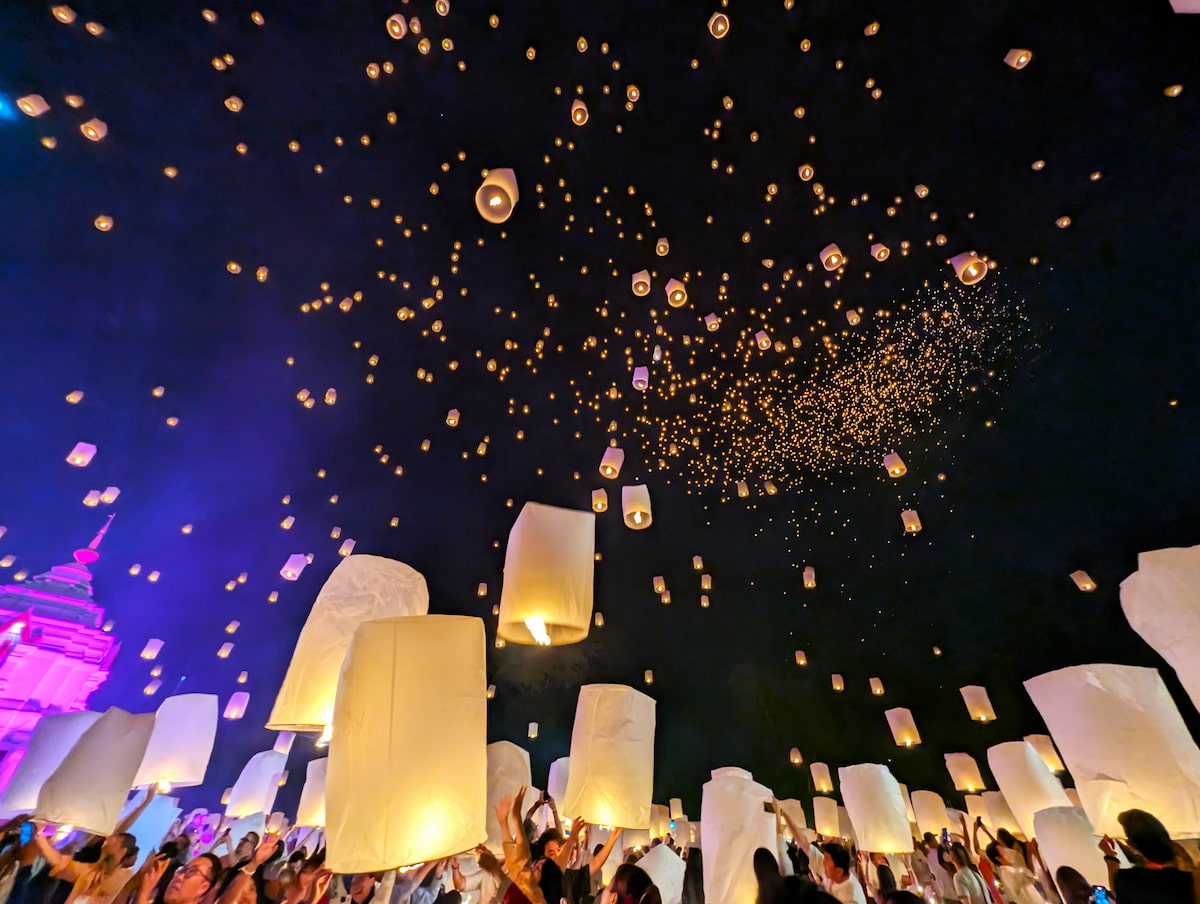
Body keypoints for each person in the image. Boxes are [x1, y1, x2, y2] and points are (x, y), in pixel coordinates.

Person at [1100, 808, 1194, 904]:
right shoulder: (1187, 878)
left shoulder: (1129, 880)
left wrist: (1110, 857)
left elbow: (1117, 892)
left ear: (1134, 848)